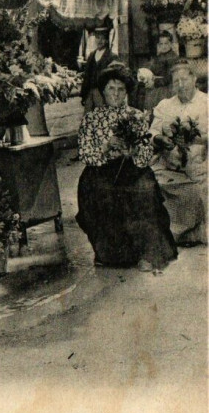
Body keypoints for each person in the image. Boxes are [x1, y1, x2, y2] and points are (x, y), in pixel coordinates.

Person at [76, 63, 178, 271]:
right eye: (111, 89)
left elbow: (145, 153)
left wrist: (133, 153)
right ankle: (112, 254)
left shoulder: (136, 116)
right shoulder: (91, 119)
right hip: (101, 169)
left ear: (126, 92)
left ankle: (145, 253)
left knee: (144, 190)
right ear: (103, 90)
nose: (115, 93)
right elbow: (85, 155)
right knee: (99, 191)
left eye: (120, 89)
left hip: (131, 168)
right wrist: (106, 146)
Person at [150, 59, 208, 246]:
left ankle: (188, 232)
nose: (180, 85)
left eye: (184, 79)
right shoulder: (165, 105)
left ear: (194, 79)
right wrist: (160, 139)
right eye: (176, 82)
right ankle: (174, 233)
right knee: (153, 186)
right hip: (169, 166)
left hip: (199, 166)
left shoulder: (206, 103)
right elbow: (152, 132)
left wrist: (197, 139)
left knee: (198, 191)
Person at [79, 25, 120, 112]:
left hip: (103, 94)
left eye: (102, 38)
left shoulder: (111, 57)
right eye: (97, 38)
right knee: (88, 118)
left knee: (102, 117)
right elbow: (87, 76)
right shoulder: (91, 55)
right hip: (90, 93)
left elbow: (114, 79)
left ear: (106, 40)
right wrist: (83, 94)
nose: (99, 41)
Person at [137, 31, 177, 110]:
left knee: (162, 108)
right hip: (155, 85)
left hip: (165, 88)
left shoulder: (173, 58)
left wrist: (155, 83)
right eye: (161, 44)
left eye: (166, 43)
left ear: (171, 44)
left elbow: (169, 77)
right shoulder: (158, 57)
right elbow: (150, 68)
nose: (164, 46)